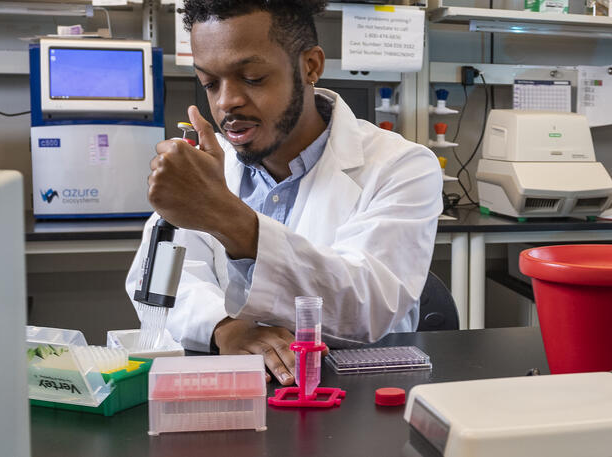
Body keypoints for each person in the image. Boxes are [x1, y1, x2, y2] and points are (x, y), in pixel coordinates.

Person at [125, 0, 443, 385]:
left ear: (310, 66)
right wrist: (225, 328)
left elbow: (369, 309)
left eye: (253, 78)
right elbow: (157, 286)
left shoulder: (401, 165)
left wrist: (229, 219)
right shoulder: (210, 163)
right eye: (210, 83)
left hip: (355, 391)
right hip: (236, 391)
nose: (226, 101)